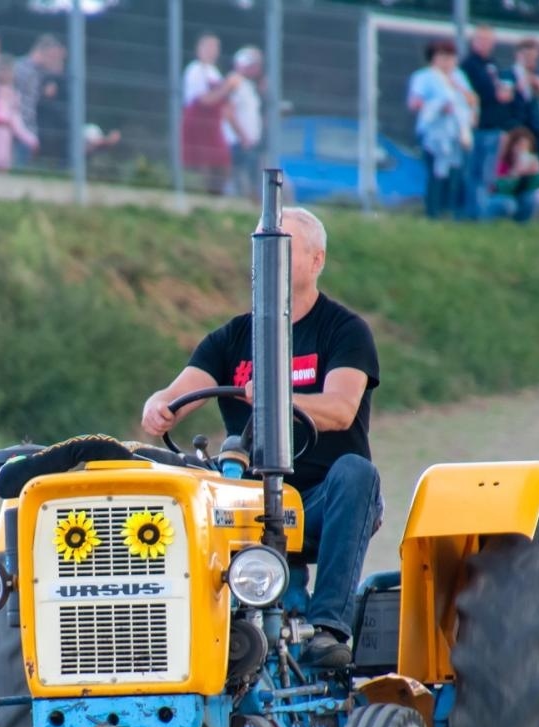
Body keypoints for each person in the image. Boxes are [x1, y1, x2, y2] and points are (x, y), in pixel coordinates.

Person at [140, 209, 380, 670]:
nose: (271, 262)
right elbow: (180, 392)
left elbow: (340, 408)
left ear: (316, 260)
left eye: (285, 249)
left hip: (319, 501)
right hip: (245, 503)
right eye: (264, 252)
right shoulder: (233, 337)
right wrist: (159, 404)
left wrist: (278, 396)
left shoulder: (344, 330)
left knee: (357, 471)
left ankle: (329, 629)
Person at [408, 38, 475, 220]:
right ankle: (433, 213)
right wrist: (437, 107)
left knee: (455, 175)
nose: (447, 61)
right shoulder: (424, 77)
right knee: (435, 174)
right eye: (442, 56)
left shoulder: (459, 77)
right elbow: (415, 102)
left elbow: (470, 100)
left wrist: (457, 87)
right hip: (433, 135)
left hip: (456, 135)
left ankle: (450, 212)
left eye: (450, 57)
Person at [460, 25, 516, 220]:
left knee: (487, 175)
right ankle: (472, 215)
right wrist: (495, 94)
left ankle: (483, 214)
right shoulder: (468, 66)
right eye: (480, 39)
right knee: (474, 174)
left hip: (494, 128)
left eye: (487, 40)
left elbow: (503, 89)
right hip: (477, 128)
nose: (483, 44)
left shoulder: (493, 65)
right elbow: (474, 93)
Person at [182, 33, 238, 195]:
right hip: (199, 123)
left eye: (215, 47)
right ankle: (203, 196)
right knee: (203, 163)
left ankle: (216, 195)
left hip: (213, 125)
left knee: (221, 162)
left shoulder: (213, 72)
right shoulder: (195, 70)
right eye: (208, 47)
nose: (212, 51)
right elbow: (204, 100)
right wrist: (228, 86)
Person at [0, 56, 37, 172]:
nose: (6, 74)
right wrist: (1, 121)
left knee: (1, 180)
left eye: (9, 70)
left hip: (2, 147)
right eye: (2, 69)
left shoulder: (13, 95)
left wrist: (31, 140)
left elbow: (16, 122)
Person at [14, 35, 63, 168]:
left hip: (28, 130)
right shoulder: (20, 68)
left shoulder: (39, 73)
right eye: (53, 57)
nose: (55, 61)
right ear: (43, 52)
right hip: (17, 130)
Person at [222, 47, 264, 199]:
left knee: (248, 176)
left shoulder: (248, 85)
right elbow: (228, 112)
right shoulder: (236, 83)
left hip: (247, 141)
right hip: (238, 142)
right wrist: (243, 136)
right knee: (239, 177)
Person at [485, 126, 539, 223]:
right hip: (502, 198)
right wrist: (515, 173)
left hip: (519, 199)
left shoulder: (531, 163)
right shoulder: (502, 162)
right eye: (519, 146)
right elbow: (496, 188)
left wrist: (536, 174)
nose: (522, 150)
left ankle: (522, 225)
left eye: (526, 147)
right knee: (509, 204)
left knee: (532, 198)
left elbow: (536, 187)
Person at [503, 37, 539, 141]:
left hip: (537, 131)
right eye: (527, 57)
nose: (531, 61)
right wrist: (518, 88)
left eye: (534, 58)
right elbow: (503, 102)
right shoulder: (507, 76)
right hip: (515, 131)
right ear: (518, 55)